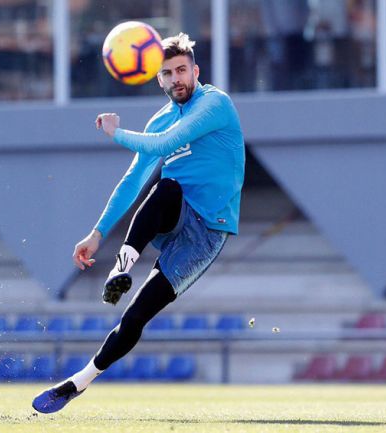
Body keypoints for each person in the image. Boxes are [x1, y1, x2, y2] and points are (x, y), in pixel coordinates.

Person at [32, 32, 245, 414]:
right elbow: (132, 182)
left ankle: (79, 381)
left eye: (182, 70)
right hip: (175, 211)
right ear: (158, 79)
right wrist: (97, 234)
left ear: (195, 71)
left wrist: (115, 132)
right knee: (166, 188)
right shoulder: (162, 117)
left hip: (206, 233)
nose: (177, 78)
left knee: (136, 315)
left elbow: (163, 145)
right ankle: (123, 263)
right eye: (168, 73)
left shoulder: (214, 103)